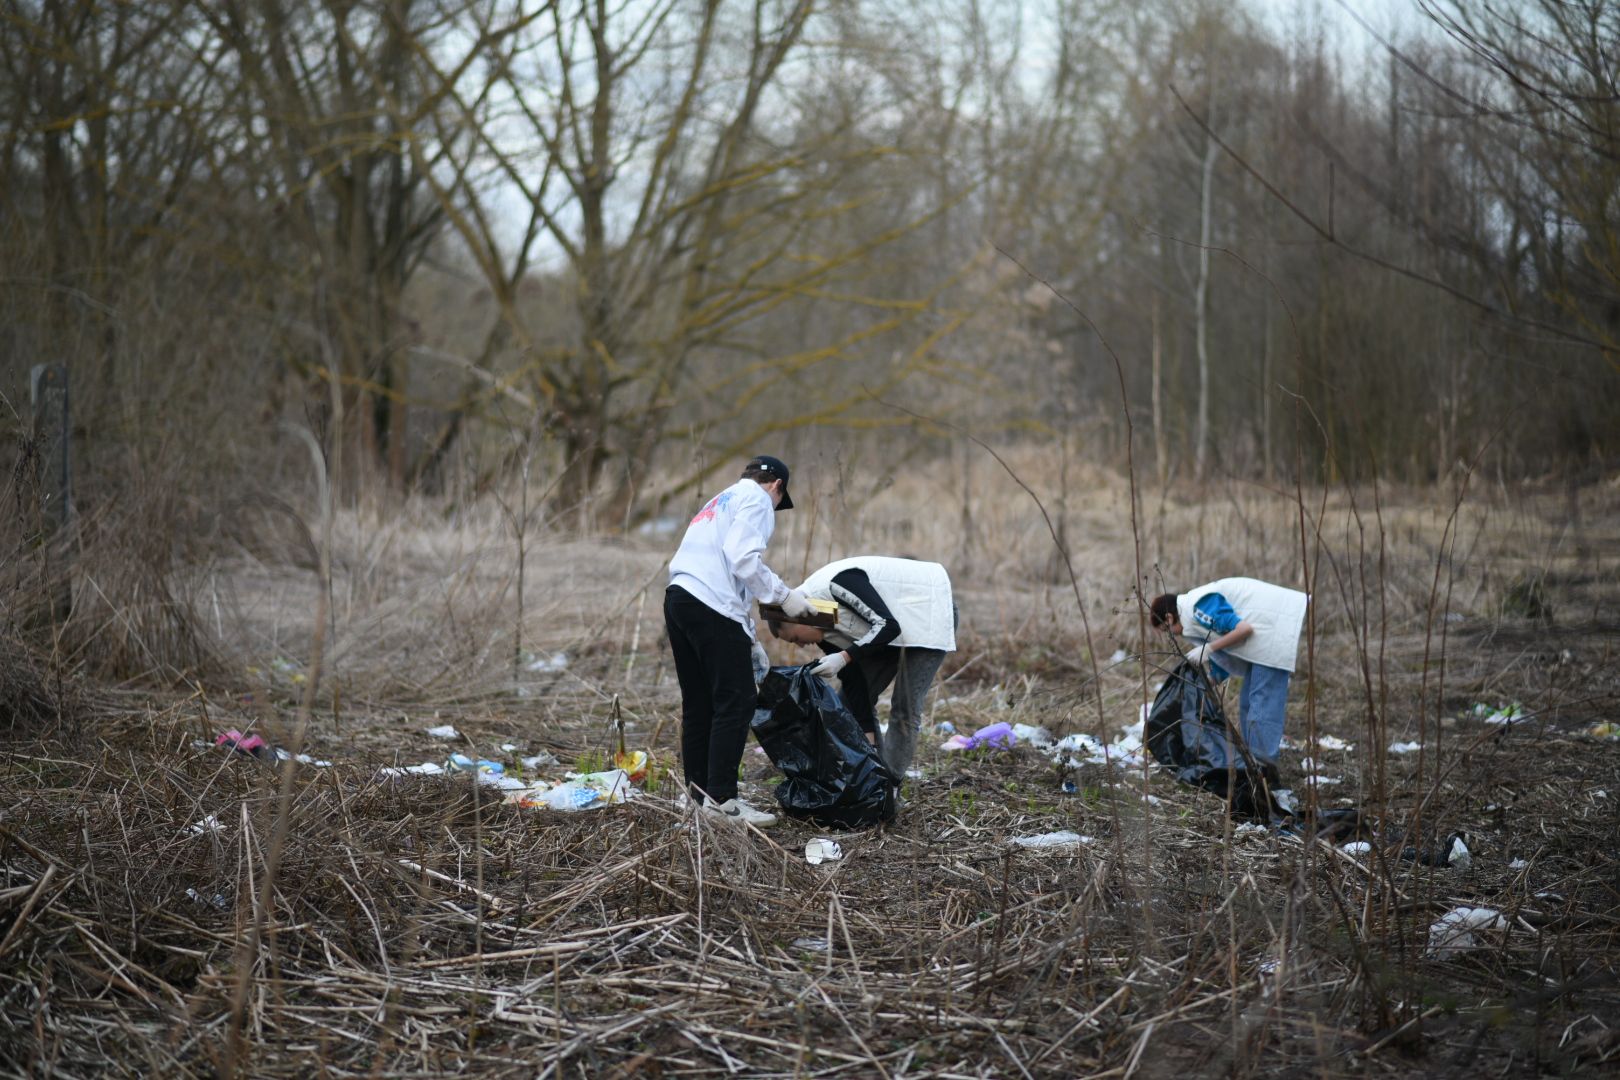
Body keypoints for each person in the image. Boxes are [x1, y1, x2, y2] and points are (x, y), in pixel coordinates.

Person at [665, 455, 816, 827]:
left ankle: (697, 799)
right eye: (781, 501)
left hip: (679, 598)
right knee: (737, 700)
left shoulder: (719, 501)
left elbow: (722, 575)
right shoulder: (758, 500)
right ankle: (722, 801)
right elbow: (743, 560)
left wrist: (746, 637)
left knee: (699, 704)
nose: (777, 508)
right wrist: (783, 596)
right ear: (777, 486)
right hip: (710, 604)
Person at [766, 556, 956, 782]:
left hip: (928, 614)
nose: (799, 645)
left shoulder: (837, 584)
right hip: (895, 630)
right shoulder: (824, 629)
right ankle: (873, 770)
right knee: (847, 701)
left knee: (904, 707)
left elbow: (888, 625)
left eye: (795, 638)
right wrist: (870, 743)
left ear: (801, 618)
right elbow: (856, 684)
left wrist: (845, 657)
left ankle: (890, 782)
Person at [1148, 577, 1308, 776]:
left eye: (1167, 630)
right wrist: (1209, 681)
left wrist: (1209, 648)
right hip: (1263, 641)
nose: (1171, 635)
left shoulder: (1198, 607)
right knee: (1247, 704)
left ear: (1170, 618)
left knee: (1261, 706)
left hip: (1272, 634)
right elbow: (1224, 651)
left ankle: (1265, 773)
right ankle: (1253, 767)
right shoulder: (1193, 616)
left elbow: (1243, 630)